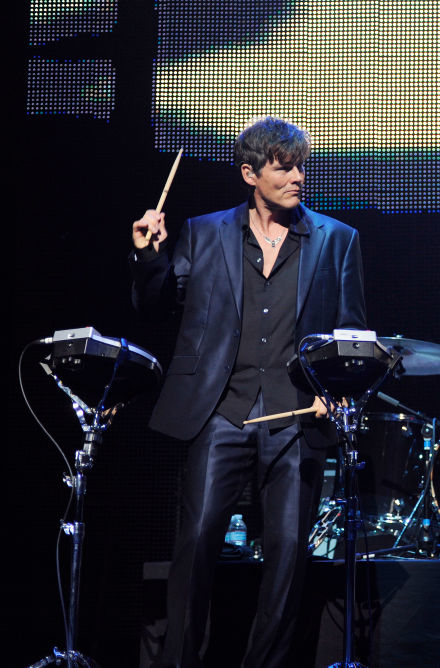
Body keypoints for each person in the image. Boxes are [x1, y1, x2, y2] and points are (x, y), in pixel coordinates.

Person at [131, 117, 366, 667]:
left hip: (296, 417)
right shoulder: (204, 232)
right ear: (250, 173)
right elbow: (156, 309)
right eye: (284, 167)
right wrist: (149, 257)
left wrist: (337, 393)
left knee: (286, 556)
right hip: (219, 412)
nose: (298, 177)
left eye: (302, 166)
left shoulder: (337, 240)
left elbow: (350, 339)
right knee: (197, 548)